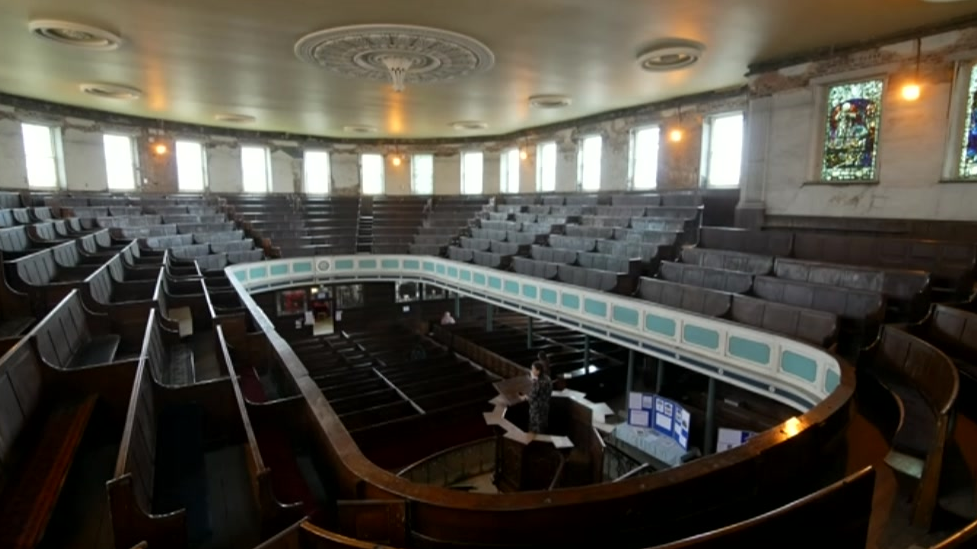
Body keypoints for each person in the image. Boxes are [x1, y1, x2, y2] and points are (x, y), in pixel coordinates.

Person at [520, 360, 552, 434]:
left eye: (533, 369)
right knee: (542, 426)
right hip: (545, 407)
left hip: (537, 409)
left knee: (535, 428)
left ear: (538, 371)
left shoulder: (538, 383)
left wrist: (524, 397)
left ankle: (535, 444)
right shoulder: (547, 378)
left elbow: (532, 396)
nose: (531, 371)